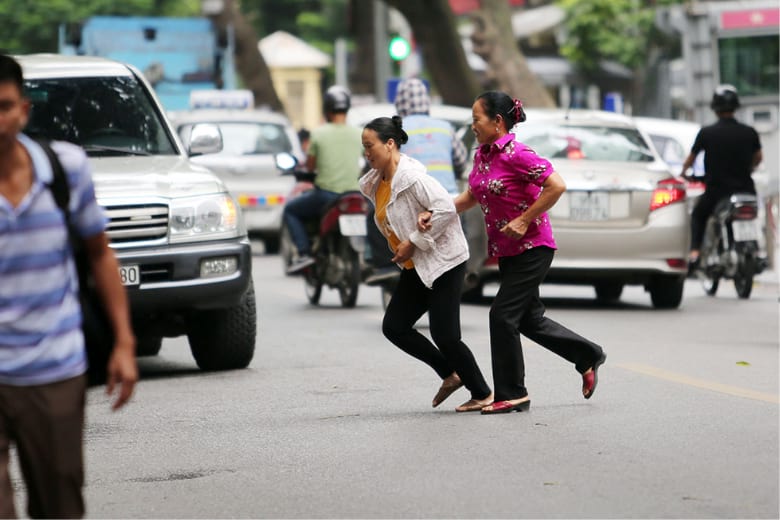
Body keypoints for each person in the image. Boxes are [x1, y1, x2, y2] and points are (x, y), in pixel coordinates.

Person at [0, 54, 138, 518]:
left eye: (3, 106)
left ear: (23, 110)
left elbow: (100, 253)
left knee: (58, 504)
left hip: (54, 368)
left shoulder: (65, 170)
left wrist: (123, 341)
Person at [419, 91, 606, 414]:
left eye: (477, 119)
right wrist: (435, 212)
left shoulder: (518, 154)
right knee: (529, 319)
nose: (473, 125)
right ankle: (586, 354)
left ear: (498, 122)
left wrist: (524, 219)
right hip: (507, 250)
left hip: (533, 247)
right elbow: (469, 197)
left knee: (502, 315)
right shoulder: (483, 156)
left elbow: (556, 185)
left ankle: (513, 393)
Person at [359, 116, 493, 412]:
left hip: (445, 260)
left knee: (445, 334)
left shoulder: (413, 178)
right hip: (417, 266)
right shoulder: (376, 182)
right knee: (395, 326)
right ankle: (450, 374)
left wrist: (414, 241)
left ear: (390, 144)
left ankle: (482, 392)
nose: (366, 153)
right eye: (364, 148)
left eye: (370, 146)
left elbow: (445, 207)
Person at [364, 78, 468, 286]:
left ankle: (385, 266)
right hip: (449, 197)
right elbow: (461, 161)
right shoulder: (445, 128)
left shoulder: (395, 132)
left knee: (374, 214)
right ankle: (466, 270)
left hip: (413, 201)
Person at [680, 84, 763, 273]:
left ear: (715, 108)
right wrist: (748, 168)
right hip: (746, 190)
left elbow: (690, 159)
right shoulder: (749, 132)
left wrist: (684, 173)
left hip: (717, 192)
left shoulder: (707, 133)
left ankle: (694, 253)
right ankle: (754, 250)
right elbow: (758, 158)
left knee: (698, 215)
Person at [284, 86, 364, 273]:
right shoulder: (359, 134)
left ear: (327, 110)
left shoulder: (319, 134)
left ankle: (304, 253)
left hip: (326, 196)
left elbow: (310, 167)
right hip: (355, 194)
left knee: (290, 210)